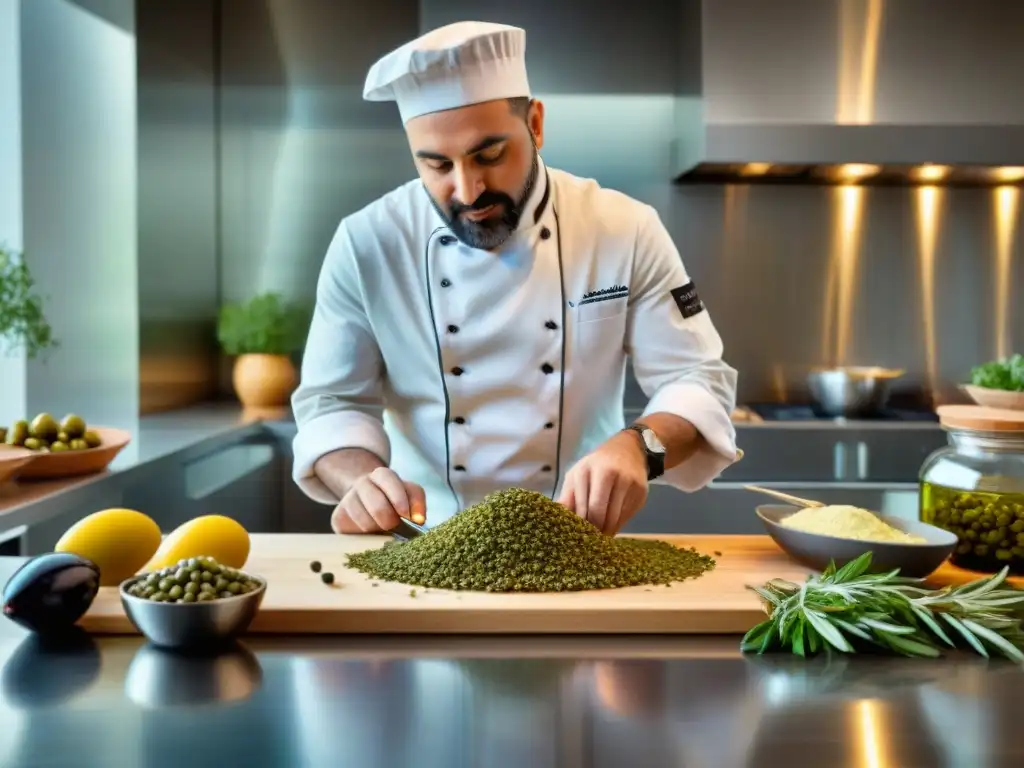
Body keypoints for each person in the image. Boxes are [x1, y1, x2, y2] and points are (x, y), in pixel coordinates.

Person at [291, 21, 739, 536]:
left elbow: (696, 379)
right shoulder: (367, 242)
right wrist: (361, 480)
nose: (467, 190)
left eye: (490, 155)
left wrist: (640, 449)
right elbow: (332, 402)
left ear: (536, 124)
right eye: (436, 165)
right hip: (420, 542)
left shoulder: (623, 228)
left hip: (582, 545)